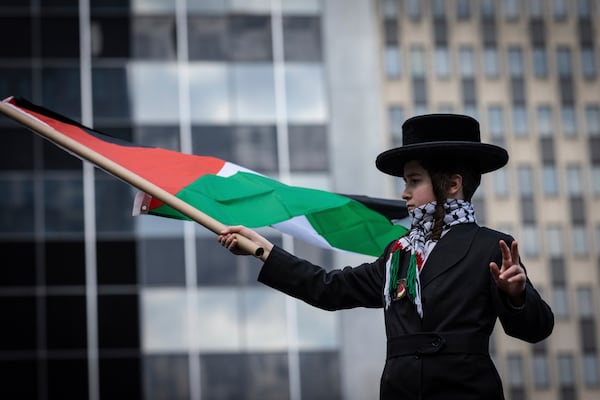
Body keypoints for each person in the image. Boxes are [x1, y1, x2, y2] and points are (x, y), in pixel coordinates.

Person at [218, 114, 554, 400]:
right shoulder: (399, 252)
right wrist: (264, 251)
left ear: (453, 184)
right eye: (405, 181)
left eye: (414, 181)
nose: (404, 192)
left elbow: (537, 329)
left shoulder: (492, 248)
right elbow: (329, 289)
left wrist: (517, 296)